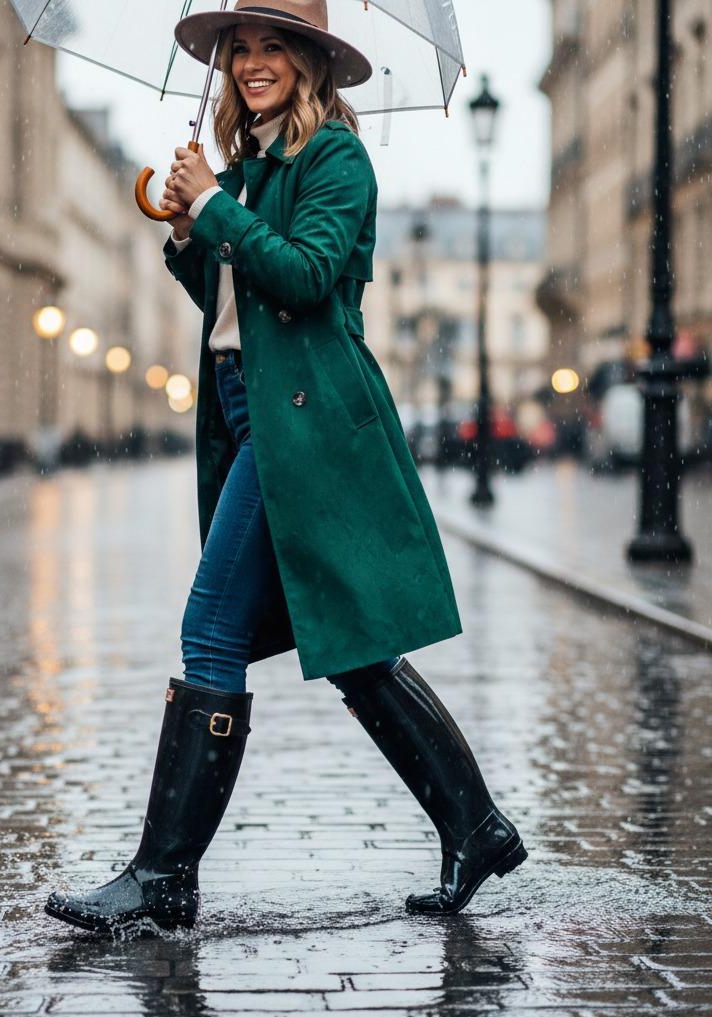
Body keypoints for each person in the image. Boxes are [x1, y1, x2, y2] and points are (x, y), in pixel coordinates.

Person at [45, 0, 527, 935]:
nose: (253, 63)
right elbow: (232, 302)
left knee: (212, 631)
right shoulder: (256, 165)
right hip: (246, 407)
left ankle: (162, 876)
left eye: (273, 47)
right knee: (350, 648)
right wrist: (191, 229)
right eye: (240, 50)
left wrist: (218, 206)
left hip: (302, 421)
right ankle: (476, 823)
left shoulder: (334, 160)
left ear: (310, 64)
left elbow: (305, 279)